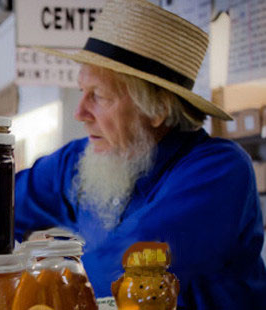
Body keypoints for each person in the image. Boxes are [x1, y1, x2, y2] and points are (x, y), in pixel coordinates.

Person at [14, 0, 266, 309]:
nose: (80, 112)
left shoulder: (220, 171)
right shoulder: (80, 160)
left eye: (99, 96)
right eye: (82, 91)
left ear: (157, 109)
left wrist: (35, 280)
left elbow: (127, 264)